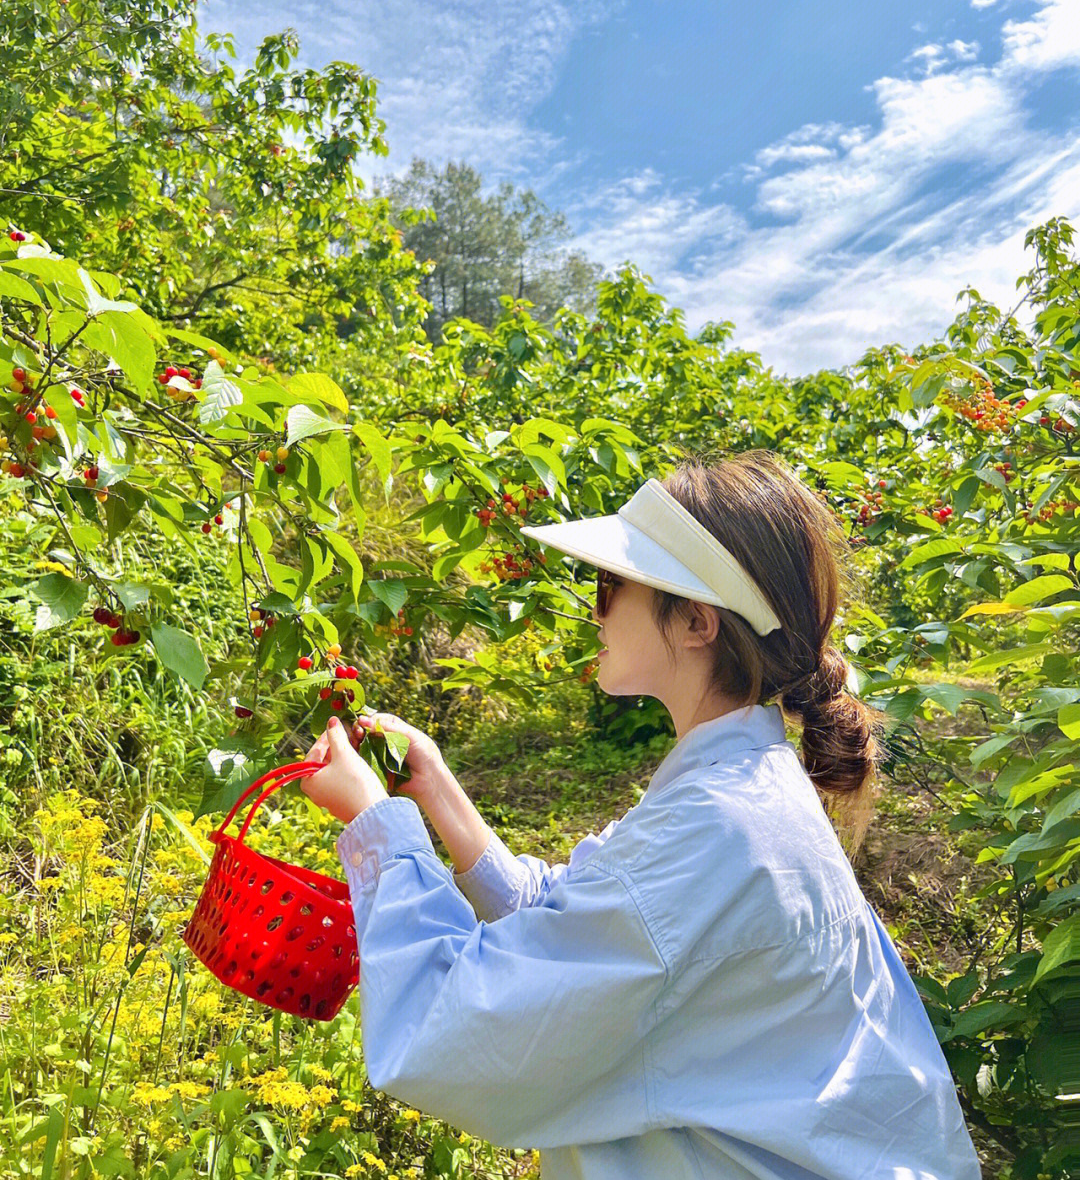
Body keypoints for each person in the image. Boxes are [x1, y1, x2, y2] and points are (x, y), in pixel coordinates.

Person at [300, 453, 982, 1179]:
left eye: (611, 584)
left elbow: (453, 1029)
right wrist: (435, 789)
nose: (596, 609)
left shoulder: (713, 830)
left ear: (695, 621)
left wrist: (375, 821)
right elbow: (572, 916)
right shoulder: (743, 787)